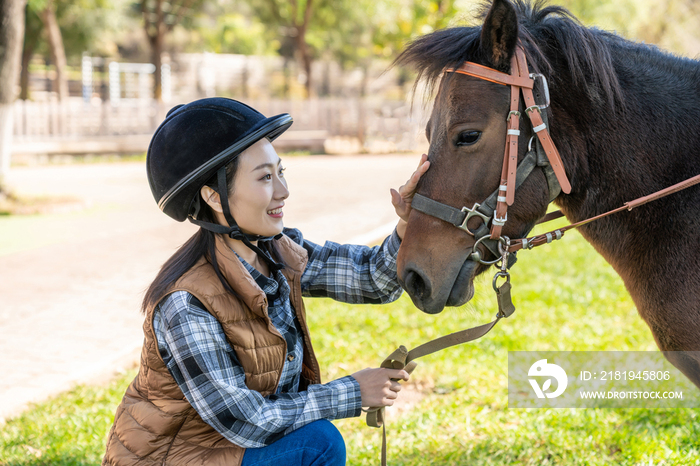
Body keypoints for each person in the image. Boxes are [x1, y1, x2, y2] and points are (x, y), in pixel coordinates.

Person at [102, 97, 430, 466]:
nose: (283, 190)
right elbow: (247, 420)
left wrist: (408, 223)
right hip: (175, 459)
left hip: (226, 452)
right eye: (264, 177)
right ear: (213, 196)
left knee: (315, 440)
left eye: (280, 171)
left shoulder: (277, 252)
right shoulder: (185, 303)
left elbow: (372, 279)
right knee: (318, 443)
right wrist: (353, 391)